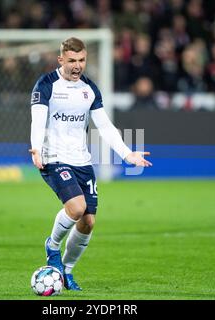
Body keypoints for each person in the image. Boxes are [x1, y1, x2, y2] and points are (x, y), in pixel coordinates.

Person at [29, 37, 152, 290]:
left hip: (82, 161)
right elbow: (37, 120)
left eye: (82, 60)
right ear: (61, 59)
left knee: (88, 222)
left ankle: (67, 272)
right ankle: (52, 246)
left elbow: (104, 126)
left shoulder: (89, 89)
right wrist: (37, 149)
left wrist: (127, 154)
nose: (77, 66)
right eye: (72, 60)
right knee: (76, 208)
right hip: (54, 158)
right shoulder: (46, 85)